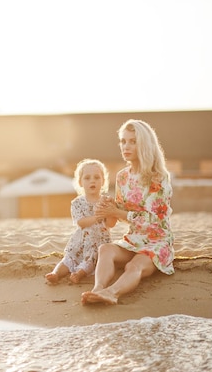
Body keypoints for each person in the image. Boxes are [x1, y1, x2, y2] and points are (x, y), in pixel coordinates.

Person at [81, 119, 174, 305]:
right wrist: (106, 210)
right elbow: (116, 220)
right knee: (105, 249)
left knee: (134, 265)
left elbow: (153, 221)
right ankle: (98, 289)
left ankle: (112, 293)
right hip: (133, 240)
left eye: (133, 141)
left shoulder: (159, 177)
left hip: (157, 241)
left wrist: (116, 211)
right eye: (123, 141)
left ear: (145, 145)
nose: (126, 146)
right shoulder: (122, 177)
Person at [45, 159, 117, 285]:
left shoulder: (105, 201)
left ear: (103, 181)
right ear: (80, 182)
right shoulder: (77, 203)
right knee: (68, 259)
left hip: (99, 241)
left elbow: (110, 224)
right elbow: (81, 223)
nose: (92, 181)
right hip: (80, 241)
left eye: (96, 177)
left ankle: (79, 274)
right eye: (87, 178)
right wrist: (97, 217)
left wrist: (112, 211)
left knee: (91, 260)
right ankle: (56, 273)